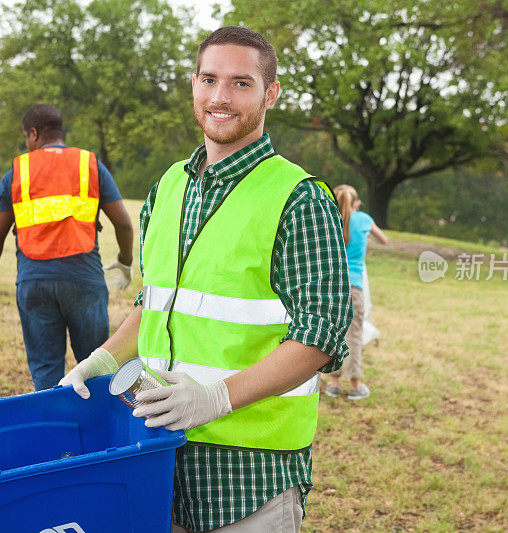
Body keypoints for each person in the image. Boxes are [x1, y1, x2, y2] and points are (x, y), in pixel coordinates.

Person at [60, 26, 352, 532]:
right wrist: (102, 360)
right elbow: (155, 302)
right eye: (209, 79)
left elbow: (321, 339)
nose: (220, 97)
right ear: (193, 84)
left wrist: (214, 398)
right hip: (156, 456)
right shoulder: (169, 186)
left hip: (249, 476)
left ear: (270, 94)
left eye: (241, 83)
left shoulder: (300, 199)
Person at [0, 104, 133, 391]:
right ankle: (99, 433)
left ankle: (54, 430)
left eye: (26, 136)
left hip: (34, 284)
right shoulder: (90, 165)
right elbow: (123, 223)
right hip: (85, 282)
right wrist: (125, 261)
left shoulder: (17, 171)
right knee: (96, 370)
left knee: (46, 375)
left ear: (34, 134)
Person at [325, 184, 387, 400]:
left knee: (335, 333)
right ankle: (355, 386)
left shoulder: (331, 218)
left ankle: (333, 383)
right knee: (354, 335)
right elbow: (384, 239)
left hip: (332, 287)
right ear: (357, 203)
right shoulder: (363, 219)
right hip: (354, 288)